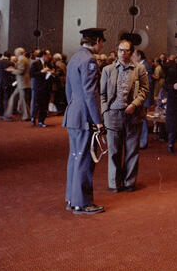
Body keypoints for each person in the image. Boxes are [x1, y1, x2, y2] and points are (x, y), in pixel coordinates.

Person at [63, 28, 107, 215]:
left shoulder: (74, 58)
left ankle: (72, 199)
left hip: (73, 114)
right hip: (84, 117)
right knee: (85, 160)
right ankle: (83, 203)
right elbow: (91, 94)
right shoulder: (89, 60)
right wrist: (98, 121)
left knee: (75, 157)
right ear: (97, 40)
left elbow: (68, 90)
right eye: (102, 41)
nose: (102, 45)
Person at [101, 39, 149, 192]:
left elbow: (144, 91)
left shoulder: (139, 69)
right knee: (114, 151)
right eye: (120, 50)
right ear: (117, 51)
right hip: (113, 115)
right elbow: (101, 94)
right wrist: (105, 111)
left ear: (132, 52)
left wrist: (134, 104)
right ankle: (114, 183)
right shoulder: (107, 70)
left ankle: (129, 182)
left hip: (133, 115)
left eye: (126, 50)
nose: (123, 53)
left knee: (132, 150)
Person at [5, 47, 31, 121]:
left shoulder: (22, 60)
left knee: (21, 100)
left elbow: (20, 71)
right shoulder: (25, 59)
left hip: (22, 83)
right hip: (22, 83)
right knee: (18, 99)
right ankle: (25, 116)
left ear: (17, 53)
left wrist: (12, 70)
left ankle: (26, 116)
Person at [29, 49, 53, 127]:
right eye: (48, 55)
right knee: (37, 104)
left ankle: (41, 121)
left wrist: (51, 72)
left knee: (44, 105)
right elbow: (32, 74)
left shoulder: (48, 64)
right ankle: (33, 118)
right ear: (44, 56)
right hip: (38, 87)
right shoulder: (36, 63)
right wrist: (42, 72)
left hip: (46, 87)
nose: (49, 56)